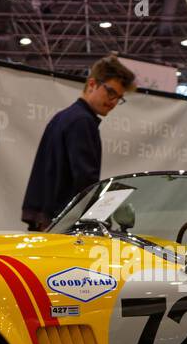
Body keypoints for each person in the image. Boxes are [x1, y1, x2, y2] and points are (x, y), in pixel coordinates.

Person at [20, 54, 136, 230]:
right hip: (62, 225)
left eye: (118, 98)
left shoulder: (64, 117)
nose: (113, 102)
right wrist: (101, 219)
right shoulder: (82, 121)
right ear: (92, 84)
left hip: (46, 221)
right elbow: (86, 182)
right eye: (110, 92)